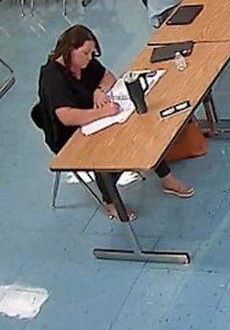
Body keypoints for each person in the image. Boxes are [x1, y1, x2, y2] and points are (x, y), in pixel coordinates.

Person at [34, 25, 195, 221]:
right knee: (102, 152)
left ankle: (166, 178)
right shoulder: (52, 76)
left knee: (138, 125)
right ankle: (110, 202)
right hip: (68, 135)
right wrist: (102, 112)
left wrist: (98, 91)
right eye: (85, 53)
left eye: (92, 53)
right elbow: (66, 117)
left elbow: (108, 77)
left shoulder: (85, 62)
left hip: (95, 118)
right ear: (69, 50)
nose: (89, 58)